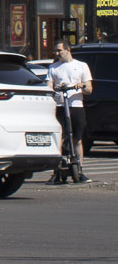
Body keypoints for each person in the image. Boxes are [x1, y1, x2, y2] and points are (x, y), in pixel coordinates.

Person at [48, 40, 93, 184]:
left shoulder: (81, 66)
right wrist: (55, 88)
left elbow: (89, 89)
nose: (57, 53)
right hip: (61, 106)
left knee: (77, 140)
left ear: (67, 50)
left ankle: (79, 170)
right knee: (60, 139)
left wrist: (82, 85)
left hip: (76, 105)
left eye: (59, 50)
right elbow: (48, 87)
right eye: (55, 51)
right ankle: (57, 170)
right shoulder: (54, 67)